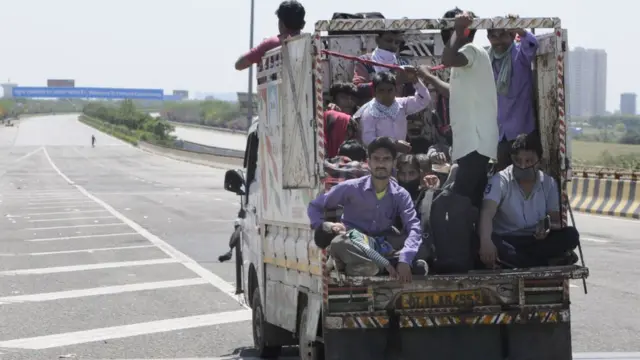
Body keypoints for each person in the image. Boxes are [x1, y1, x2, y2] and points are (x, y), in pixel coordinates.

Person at [307, 136, 422, 283]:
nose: (381, 164)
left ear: (393, 163)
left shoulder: (400, 195)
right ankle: (379, 265)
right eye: (376, 159)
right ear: (368, 162)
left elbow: (413, 227)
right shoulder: (351, 188)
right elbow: (315, 206)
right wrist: (323, 229)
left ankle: (381, 266)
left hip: (382, 247)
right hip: (353, 246)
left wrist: (405, 258)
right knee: (339, 242)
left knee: (418, 245)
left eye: (386, 159)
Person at [478, 133, 579, 269]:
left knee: (571, 235)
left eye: (529, 161)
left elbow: (555, 219)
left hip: (536, 240)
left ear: (539, 162)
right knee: (492, 245)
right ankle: (542, 262)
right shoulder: (499, 180)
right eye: (518, 161)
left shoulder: (548, 183)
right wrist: (485, 242)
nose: (523, 166)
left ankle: (523, 262)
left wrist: (547, 228)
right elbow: (486, 213)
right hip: (507, 239)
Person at [438, 8, 498, 208]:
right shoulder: (467, 59)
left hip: (475, 143)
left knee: (460, 202)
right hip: (473, 144)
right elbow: (452, 91)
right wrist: (427, 77)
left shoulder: (470, 51)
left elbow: (446, 59)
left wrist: (457, 29)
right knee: (472, 201)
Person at [488, 15, 540, 171]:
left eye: (502, 35)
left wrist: (520, 29)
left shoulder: (519, 54)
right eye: (493, 36)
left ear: (511, 35)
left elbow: (532, 44)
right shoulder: (487, 60)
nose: (498, 41)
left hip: (522, 134)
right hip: (499, 136)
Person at [359, 69, 431, 152]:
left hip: (400, 157)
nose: (386, 95)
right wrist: (393, 144)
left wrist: (415, 80)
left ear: (395, 90)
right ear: (374, 93)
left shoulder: (402, 104)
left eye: (390, 90)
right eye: (381, 91)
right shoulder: (369, 112)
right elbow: (368, 140)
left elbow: (424, 100)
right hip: (380, 158)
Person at [234, 1, 306, 70]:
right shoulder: (309, 42)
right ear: (302, 24)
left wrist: (263, 49)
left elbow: (239, 65)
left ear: (281, 23)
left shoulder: (272, 43)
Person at [352, 31, 414, 105]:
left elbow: (411, 95)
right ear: (377, 40)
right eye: (388, 41)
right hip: (371, 111)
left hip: (397, 112)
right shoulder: (364, 61)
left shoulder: (403, 64)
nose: (393, 45)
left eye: (397, 42)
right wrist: (393, 82)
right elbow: (357, 89)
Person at [324, 82, 359, 158]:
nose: (349, 101)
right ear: (334, 99)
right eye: (343, 97)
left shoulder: (360, 116)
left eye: (352, 98)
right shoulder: (329, 117)